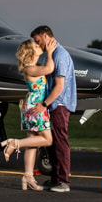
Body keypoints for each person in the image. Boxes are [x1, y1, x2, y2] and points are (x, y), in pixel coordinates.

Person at [0, 39, 55, 191]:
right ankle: (14, 143)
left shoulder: (32, 68)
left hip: (31, 105)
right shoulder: (30, 69)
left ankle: (28, 176)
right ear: (30, 53)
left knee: (33, 142)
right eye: (36, 46)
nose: (39, 47)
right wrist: (50, 52)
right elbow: (50, 68)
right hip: (36, 107)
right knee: (48, 140)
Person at [30, 25, 76, 192]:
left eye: (38, 41)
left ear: (45, 36)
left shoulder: (60, 55)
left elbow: (59, 86)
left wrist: (44, 105)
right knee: (51, 142)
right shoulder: (53, 55)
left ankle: (64, 182)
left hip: (59, 104)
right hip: (53, 104)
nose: (37, 44)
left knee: (60, 142)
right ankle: (55, 179)